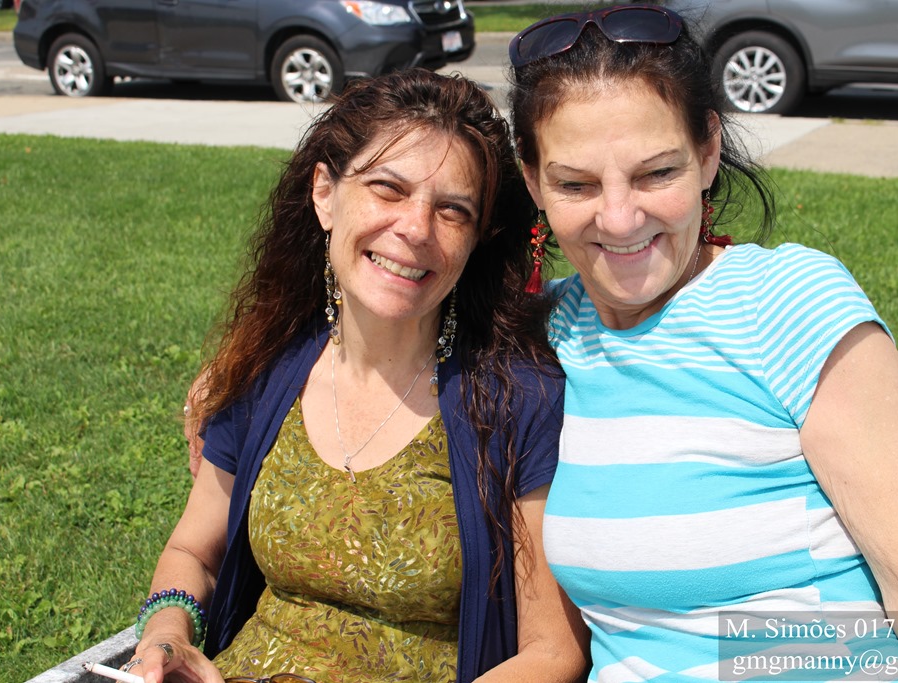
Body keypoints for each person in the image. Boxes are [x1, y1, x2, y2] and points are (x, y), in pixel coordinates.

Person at [508, 6, 898, 681]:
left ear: (708, 151)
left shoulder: (784, 304)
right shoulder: (549, 335)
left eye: (656, 173)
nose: (620, 218)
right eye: (576, 183)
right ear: (532, 181)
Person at [125, 69, 588, 683]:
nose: (416, 228)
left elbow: (554, 653)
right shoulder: (267, 370)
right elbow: (194, 551)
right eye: (388, 189)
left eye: (452, 210)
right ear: (325, 193)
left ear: (476, 240)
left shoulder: (518, 400)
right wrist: (166, 635)